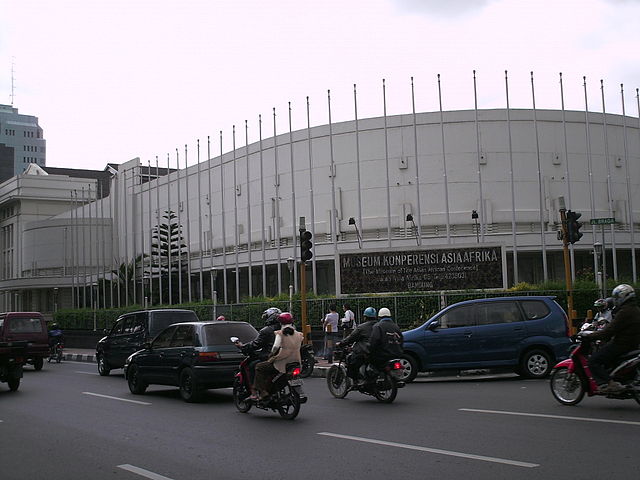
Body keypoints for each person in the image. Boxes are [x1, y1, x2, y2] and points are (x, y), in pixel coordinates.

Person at [586, 284, 640, 393]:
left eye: (617, 297)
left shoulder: (624, 312)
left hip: (621, 344)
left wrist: (590, 336)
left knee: (593, 361)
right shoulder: (635, 309)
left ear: (623, 297)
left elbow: (609, 330)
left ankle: (608, 384)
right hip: (633, 343)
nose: (615, 300)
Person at [252, 312, 303, 400]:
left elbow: (275, 346)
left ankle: (262, 391)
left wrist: (272, 354)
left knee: (259, 367)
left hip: (282, 362)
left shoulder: (280, 333)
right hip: (296, 361)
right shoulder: (299, 334)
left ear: (280, 322)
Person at [233, 307, 281, 396]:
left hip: (269, 358)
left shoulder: (266, 330)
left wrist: (242, 346)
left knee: (252, 366)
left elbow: (256, 344)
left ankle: (255, 391)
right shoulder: (287, 329)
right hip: (285, 358)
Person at [337, 307, 378, 383]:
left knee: (351, 361)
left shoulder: (362, 327)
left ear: (365, 317)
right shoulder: (379, 326)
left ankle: (357, 381)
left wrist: (341, 343)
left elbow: (351, 338)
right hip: (377, 352)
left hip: (365, 352)